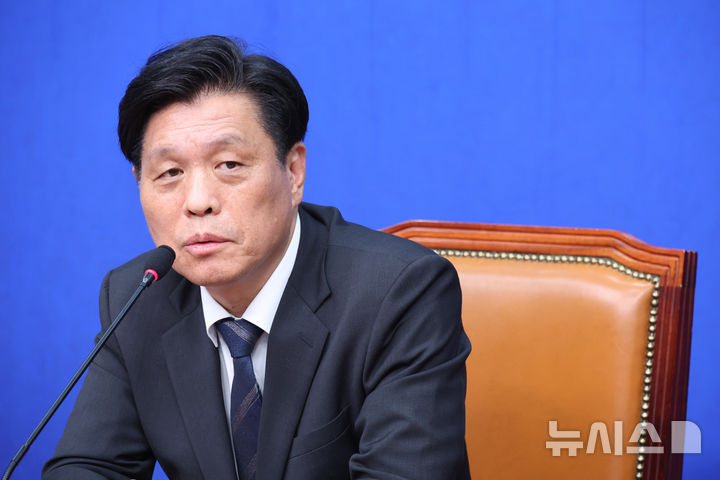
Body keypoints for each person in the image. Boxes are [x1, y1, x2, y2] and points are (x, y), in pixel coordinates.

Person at [42, 35, 471, 480]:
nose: (199, 201)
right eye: (170, 172)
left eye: (229, 165)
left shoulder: (398, 292)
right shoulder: (137, 297)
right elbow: (87, 466)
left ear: (294, 171)